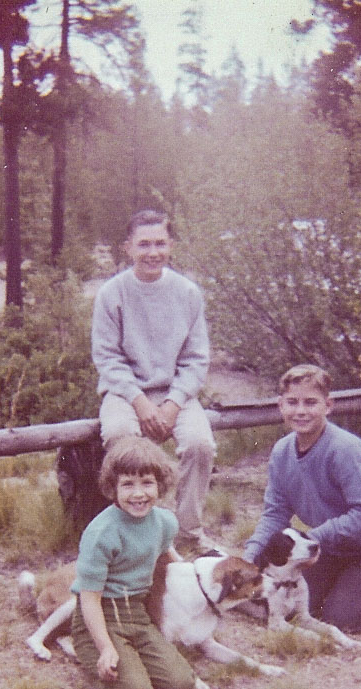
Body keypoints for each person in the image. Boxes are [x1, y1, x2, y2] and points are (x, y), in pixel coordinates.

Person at [244, 364, 361, 633]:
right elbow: (275, 513)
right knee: (291, 609)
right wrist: (251, 557)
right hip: (325, 548)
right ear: (280, 406)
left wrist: (311, 539)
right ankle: (338, 581)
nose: (300, 411)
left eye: (311, 402)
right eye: (292, 402)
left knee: (338, 621)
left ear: (328, 405)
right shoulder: (282, 451)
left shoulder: (346, 449)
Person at [91, 208, 217, 556]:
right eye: (143, 244)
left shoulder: (187, 292)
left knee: (199, 445)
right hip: (125, 391)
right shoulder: (112, 294)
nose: (152, 253)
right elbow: (106, 358)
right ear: (128, 247)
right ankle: (139, 529)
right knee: (121, 438)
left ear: (171, 245)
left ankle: (188, 533)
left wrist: (174, 404)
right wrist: (140, 402)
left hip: (176, 390)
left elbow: (197, 358)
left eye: (160, 243)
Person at [70, 436, 197, 689]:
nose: (139, 494)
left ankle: (132, 657)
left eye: (147, 483)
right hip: (101, 614)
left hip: (137, 614)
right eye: (128, 484)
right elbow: (89, 598)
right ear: (112, 487)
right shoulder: (101, 532)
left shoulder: (164, 522)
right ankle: (90, 651)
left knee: (181, 684)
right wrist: (105, 647)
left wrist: (193, 577)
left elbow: (166, 553)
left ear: (160, 484)